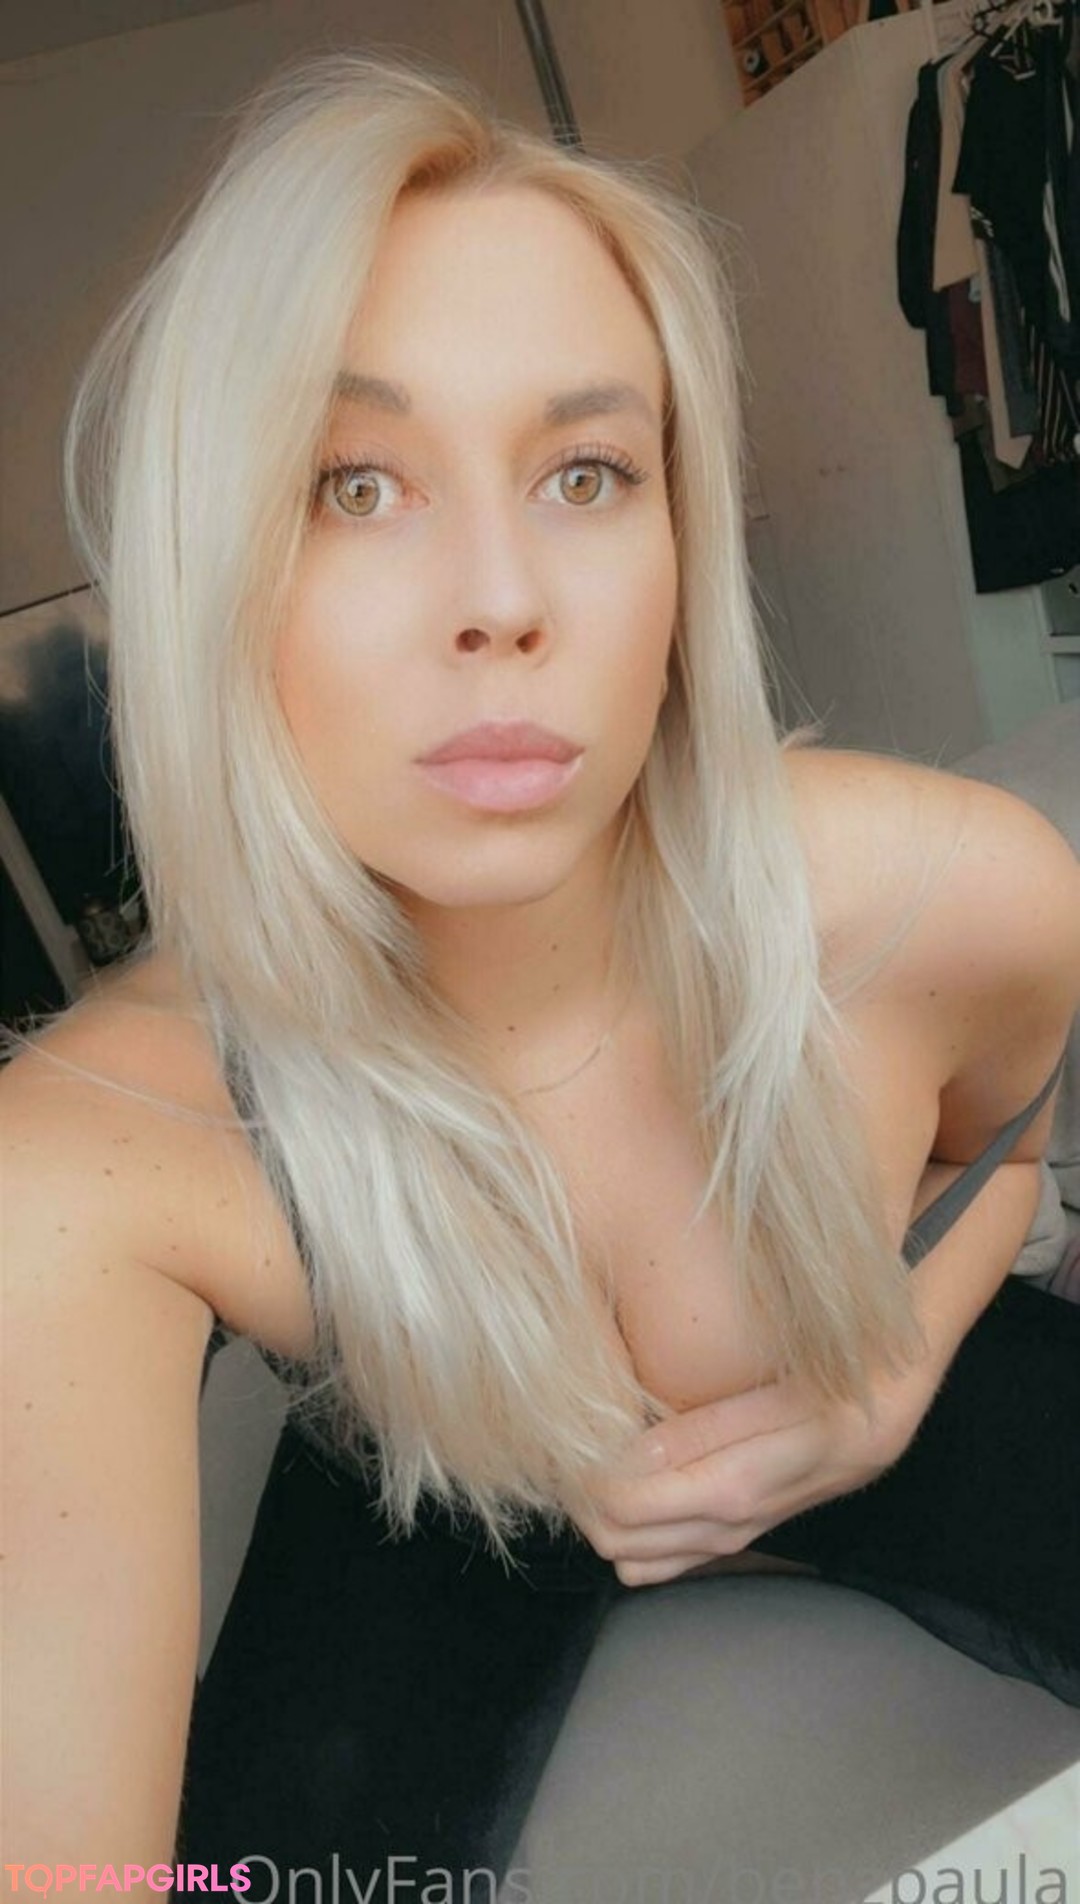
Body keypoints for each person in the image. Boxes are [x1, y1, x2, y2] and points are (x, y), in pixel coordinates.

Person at [3, 47, 1079, 1894]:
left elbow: (1013, 1138)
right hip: (434, 1488)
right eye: (353, 484)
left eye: (587, 472)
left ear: (681, 541)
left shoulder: (946, 888)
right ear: (209, 569)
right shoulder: (91, 1155)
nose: (502, 599)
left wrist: (891, 1372)